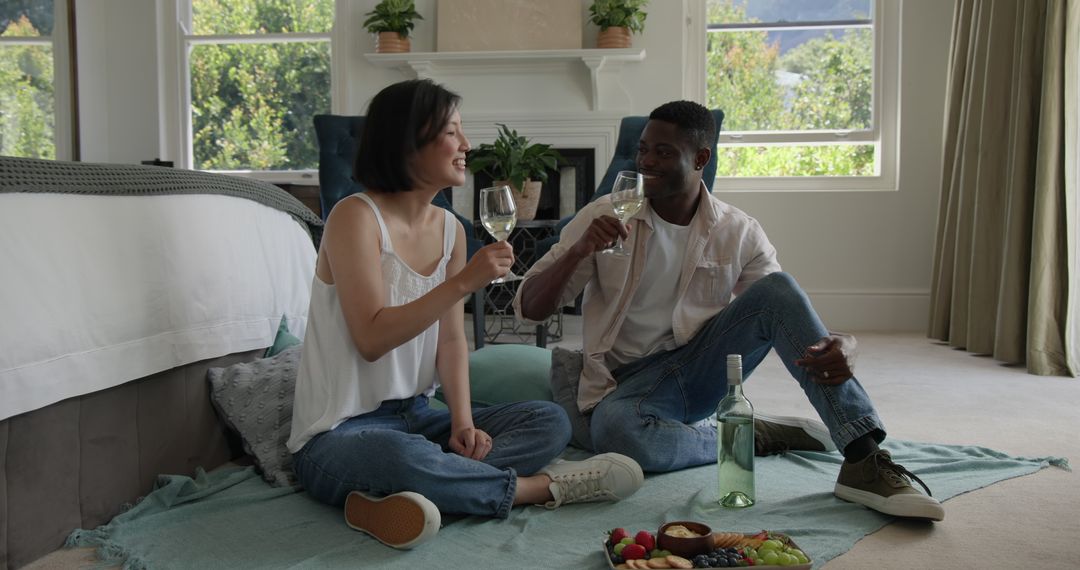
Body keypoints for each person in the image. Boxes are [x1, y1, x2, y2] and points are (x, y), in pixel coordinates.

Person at [513, 100, 944, 521]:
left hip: (697, 368)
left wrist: (845, 344)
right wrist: (580, 251)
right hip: (623, 383)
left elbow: (783, 311)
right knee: (617, 433)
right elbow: (530, 308)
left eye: (664, 152)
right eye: (643, 149)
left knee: (779, 288)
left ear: (701, 158)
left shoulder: (737, 230)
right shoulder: (604, 215)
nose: (647, 161)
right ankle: (742, 436)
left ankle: (863, 456)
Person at [286, 79, 644, 550]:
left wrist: (460, 423)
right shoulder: (354, 217)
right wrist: (463, 283)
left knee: (548, 421)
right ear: (409, 141)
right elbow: (371, 338)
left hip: (418, 414)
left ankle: (406, 498)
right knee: (397, 454)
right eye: (453, 132)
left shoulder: (451, 230)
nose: (467, 145)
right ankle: (537, 489)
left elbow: (451, 341)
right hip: (341, 432)